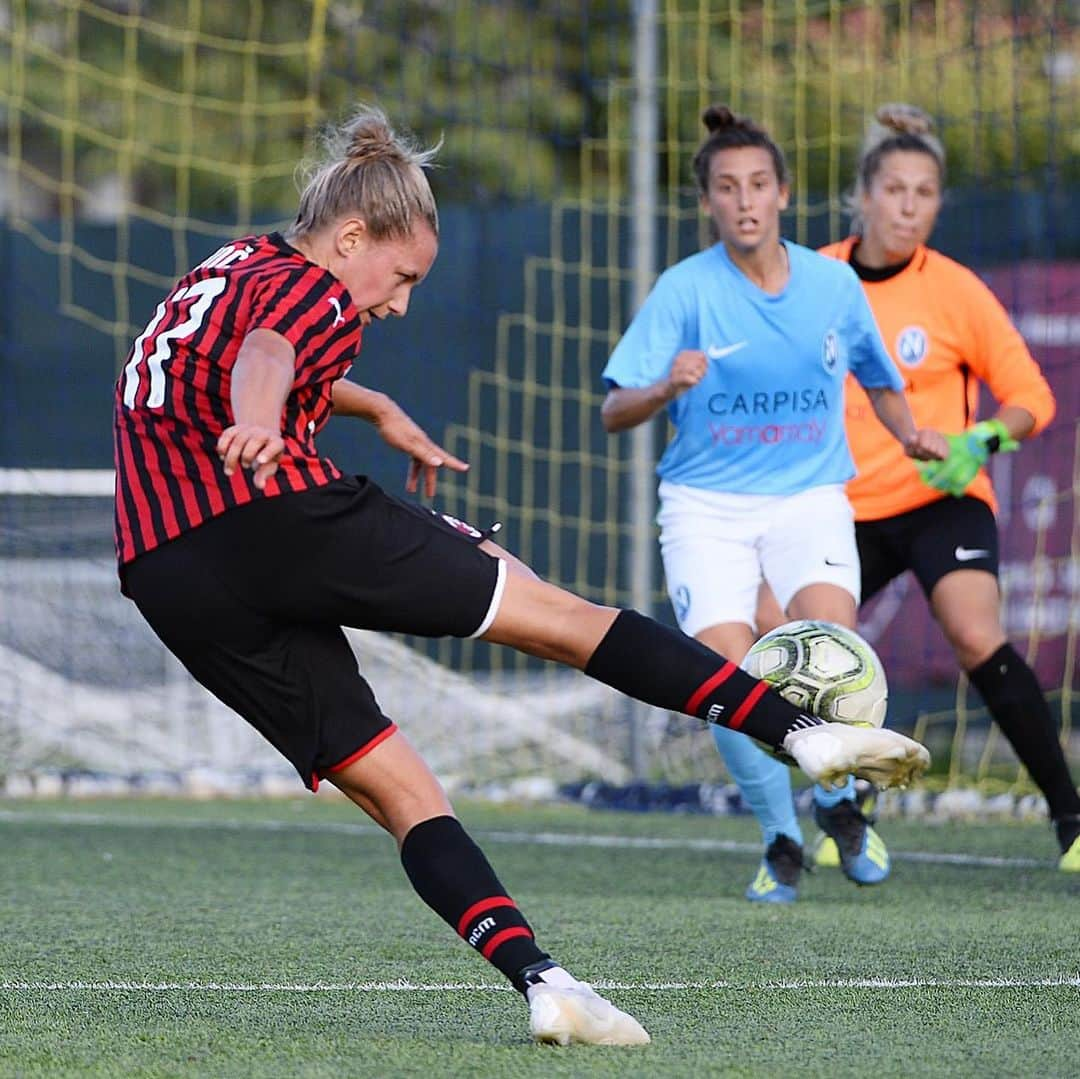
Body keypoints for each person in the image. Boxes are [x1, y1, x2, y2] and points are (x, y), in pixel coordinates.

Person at [112, 104, 931, 1047]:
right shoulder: (313, 287)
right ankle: (801, 731)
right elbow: (268, 355)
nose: (401, 302)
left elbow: (243, 349)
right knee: (560, 616)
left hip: (170, 572)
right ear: (350, 237)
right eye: (402, 276)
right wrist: (263, 424)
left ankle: (544, 982)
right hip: (275, 513)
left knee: (400, 789)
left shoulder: (226, 268)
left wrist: (371, 401)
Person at [600, 104, 947, 905]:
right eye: (728, 187)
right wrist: (664, 385)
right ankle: (780, 835)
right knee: (723, 678)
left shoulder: (832, 284)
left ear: (784, 193)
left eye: (759, 183)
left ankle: (835, 796)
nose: (745, 200)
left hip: (808, 499)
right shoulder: (683, 290)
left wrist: (911, 434)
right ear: (708, 203)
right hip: (704, 507)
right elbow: (615, 409)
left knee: (831, 647)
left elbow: (881, 380)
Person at [814, 102, 1079, 872]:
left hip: (941, 498)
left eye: (924, 192)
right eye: (894, 189)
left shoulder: (956, 290)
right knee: (813, 649)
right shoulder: (817, 279)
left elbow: (1034, 395)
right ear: (862, 196)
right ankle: (844, 808)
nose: (908, 206)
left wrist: (982, 439)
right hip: (838, 508)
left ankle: (1070, 815)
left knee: (973, 631)